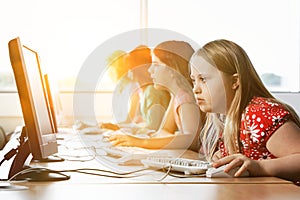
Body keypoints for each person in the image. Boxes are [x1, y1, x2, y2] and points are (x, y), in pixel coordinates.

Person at [189, 39, 300, 182]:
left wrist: (260, 167)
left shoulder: (260, 113)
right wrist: (223, 157)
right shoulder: (231, 118)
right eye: (193, 80)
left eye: (203, 79)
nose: (195, 89)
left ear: (234, 81)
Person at [108, 40, 202, 150]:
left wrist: (142, 142)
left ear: (173, 69)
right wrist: (165, 139)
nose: (150, 69)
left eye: (156, 64)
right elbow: (164, 130)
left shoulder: (187, 99)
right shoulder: (176, 96)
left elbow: (191, 140)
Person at [103, 45, 171, 133]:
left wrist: (122, 129)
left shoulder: (152, 91)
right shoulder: (145, 91)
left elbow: (153, 127)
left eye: (129, 67)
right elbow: (141, 123)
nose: (127, 71)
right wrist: (117, 127)